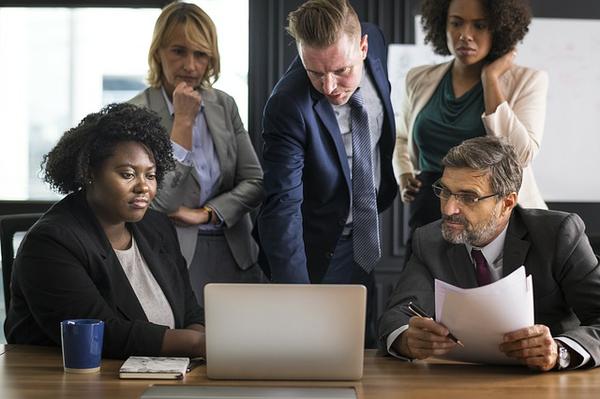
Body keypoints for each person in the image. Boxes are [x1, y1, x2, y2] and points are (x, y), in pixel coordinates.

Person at [378, 136, 600, 371]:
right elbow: (398, 315)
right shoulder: (429, 240)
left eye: (468, 197)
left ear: (507, 203)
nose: (449, 208)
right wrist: (406, 339)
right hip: (458, 381)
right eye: (445, 191)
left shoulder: (558, 235)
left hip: (545, 381)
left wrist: (560, 351)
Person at [4, 103, 206, 359]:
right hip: (66, 384)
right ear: (90, 173)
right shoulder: (51, 242)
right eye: (128, 174)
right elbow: (103, 334)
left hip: (162, 375)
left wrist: (199, 349)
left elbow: (190, 311)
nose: (143, 187)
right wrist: (196, 345)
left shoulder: (158, 227)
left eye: (151, 176)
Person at [256, 0, 397, 346]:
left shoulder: (375, 39)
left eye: (342, 71)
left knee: (359, 347)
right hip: (315, 247)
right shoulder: (287, 106)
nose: (330, 86)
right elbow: (281, 206)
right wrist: (297, 298)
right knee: (311, 351)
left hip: (365, 232)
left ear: (363, 47)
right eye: (315, 73)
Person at [129, 1, 265, 306]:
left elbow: (255, 182)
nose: (190, 66)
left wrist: (207, 213)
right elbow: (161, 201)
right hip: (172, 256)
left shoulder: (224, 104)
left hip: (235, 252)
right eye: (179, 51)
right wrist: (184, 123)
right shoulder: (135, 113)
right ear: (158, 52)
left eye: (201, 54)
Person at [396, 0, 548, 265]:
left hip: (491, 214)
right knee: (419, 299)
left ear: (499, 30)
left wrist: (491, 79)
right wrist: (404, 173)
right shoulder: (418, 78)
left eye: (480, 25)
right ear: (441, 24)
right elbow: (402, 136)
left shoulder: (528, 81)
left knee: (488, 300)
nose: (465, 34)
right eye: (456, 23)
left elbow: (520, 156)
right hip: (431, 208)